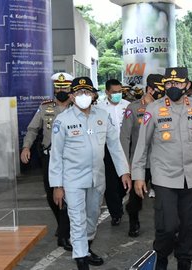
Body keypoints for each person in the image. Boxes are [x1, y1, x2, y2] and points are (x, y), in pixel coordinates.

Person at [131, 67, 192, 270]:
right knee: (168, 226)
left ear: (186, 85)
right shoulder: (154, 109)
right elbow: (142, 145)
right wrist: (138, 175)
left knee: (189, 226)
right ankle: (161, 258)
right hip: (164, 178)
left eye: (178, 83)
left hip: (191, 177)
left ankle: (184, 262)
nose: (173, 87)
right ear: (164, 85)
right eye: (169, 84)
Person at [49, 77, 132, 270]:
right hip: (72, 180)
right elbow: (56, 155)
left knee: (92, 217)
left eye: (87, 92)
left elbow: (115, 146)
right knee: (77, 219)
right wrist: (57, 186)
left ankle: (85, 248)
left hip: (97, 178)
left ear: (94, 95)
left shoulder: (102, 116)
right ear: (71, 96)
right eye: (78, 93)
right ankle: (81, 260)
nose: (83, 96)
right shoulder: (63, 120)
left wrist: (124, 172)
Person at [20, 72, 73, 251]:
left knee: (68, 195)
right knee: (52, 194)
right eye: (58, 87)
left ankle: (65, 233)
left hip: (72, 158)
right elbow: (33, 129)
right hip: (49, 157)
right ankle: (62, 224)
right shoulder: (45, 108)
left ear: (70, 88)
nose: (61, 90)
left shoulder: (77, 107)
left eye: (64, 87)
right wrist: (26, 147)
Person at [120, 73, 165, 237]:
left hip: (161, 161)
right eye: (158, 89)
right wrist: (126, 164)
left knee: (164, 196)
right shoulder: (133, 108)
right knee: (135, 198)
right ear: (149, 89)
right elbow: (124, 137)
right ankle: (133, 221)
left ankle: (164, 226)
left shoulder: (165, 107)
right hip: (140, 162)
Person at [97, 79, 131, 226]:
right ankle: (115, 213)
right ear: (107, 92)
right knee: (110, 184)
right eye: (114, 92)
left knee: (123, 181)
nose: (117, 95)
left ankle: (121, 197)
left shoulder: (128, 106)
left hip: (126, 147)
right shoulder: (99, 108)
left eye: (120, 92)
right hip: (107, 150)